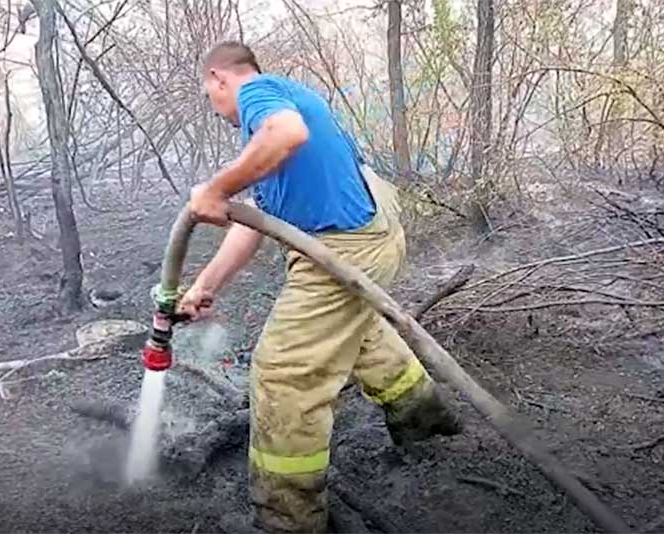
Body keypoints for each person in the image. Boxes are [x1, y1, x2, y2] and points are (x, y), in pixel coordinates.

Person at [178, 41, 462, 534]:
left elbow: (286, 133)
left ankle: (288, 518)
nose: (216, 106)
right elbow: (256, 222)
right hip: (368, 230)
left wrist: (217, 188)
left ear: (220, 78)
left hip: (346, 244)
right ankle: (426, 422)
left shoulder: (260, 96)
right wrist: (206, 284)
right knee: (360, 331)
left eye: (211, 95)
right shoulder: (274, 116)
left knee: (285, 372)